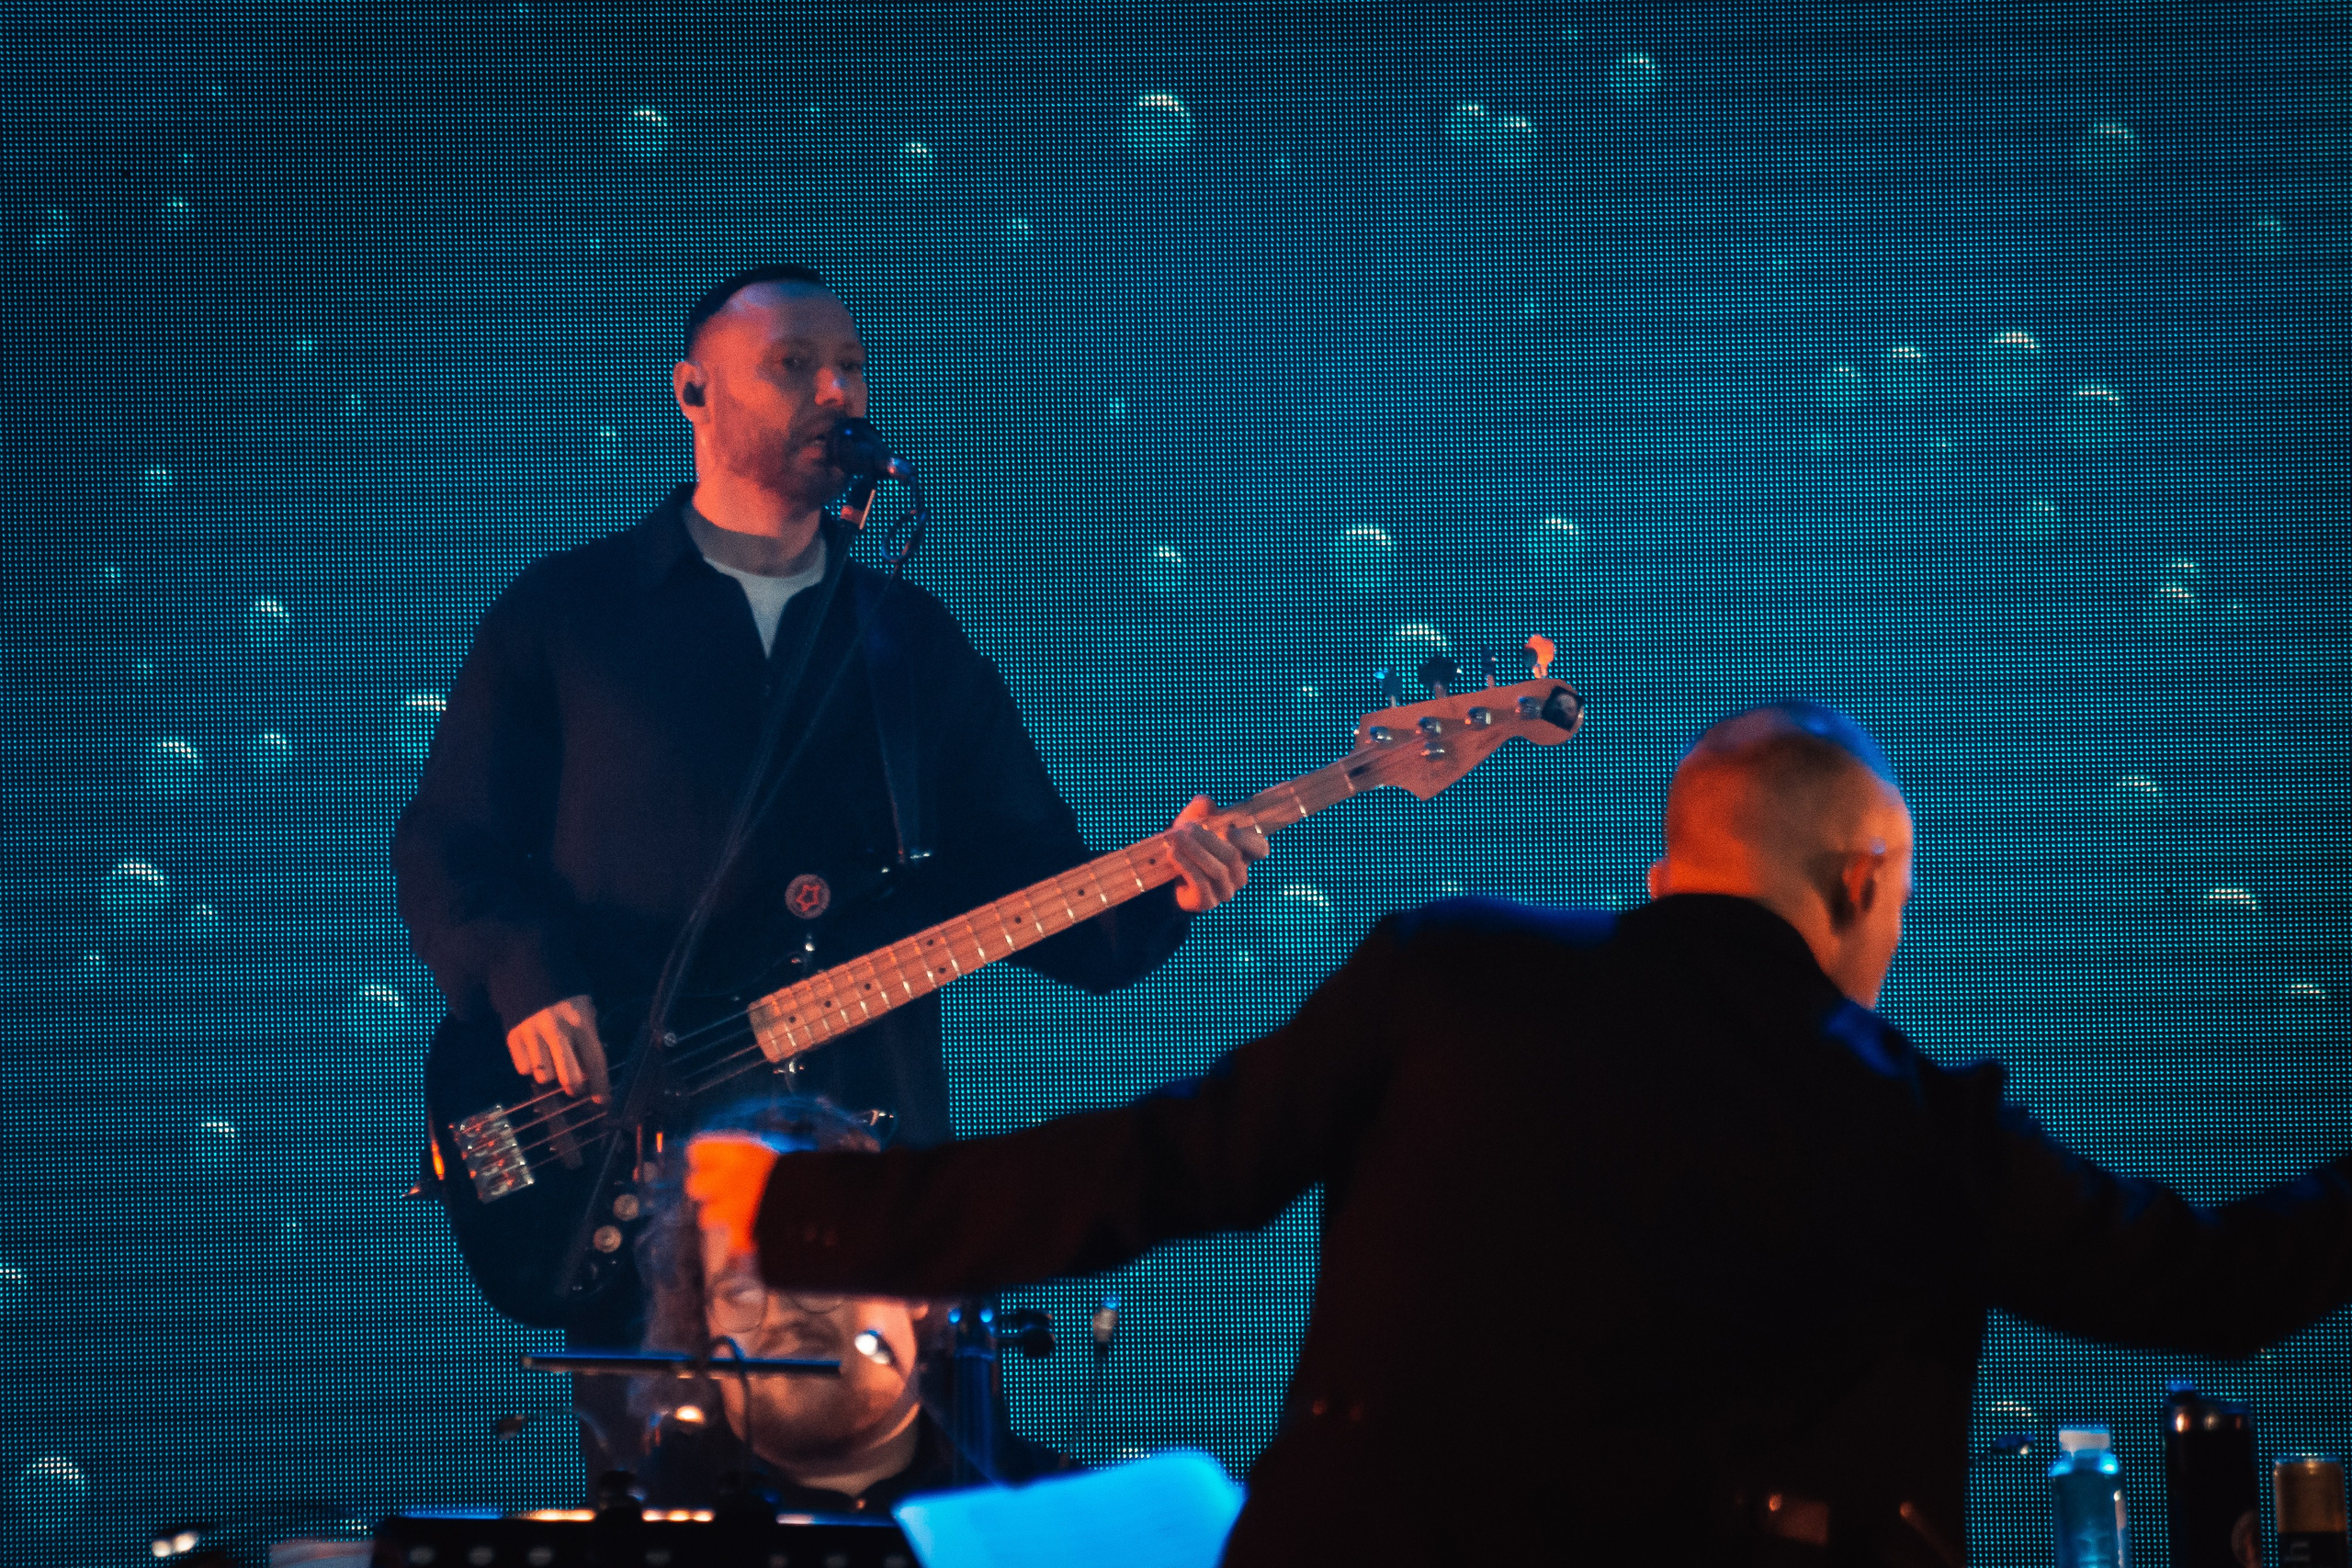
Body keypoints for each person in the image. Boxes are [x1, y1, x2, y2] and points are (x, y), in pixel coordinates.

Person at [687, 701, 2352, 1566]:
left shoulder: (1450, 974)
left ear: (1662, 871)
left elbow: (1155, 1166)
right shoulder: (1920, 1127)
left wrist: (809, 1217)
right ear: (1862, 883)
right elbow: (2219, 1283)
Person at [630, 1096, 1065, 1512]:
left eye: (814, 1269)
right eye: (741, 1291)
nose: (782, 1313)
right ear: (702, 1325)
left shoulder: (1053, 1515)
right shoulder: (639, 1526)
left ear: (912, 1284)